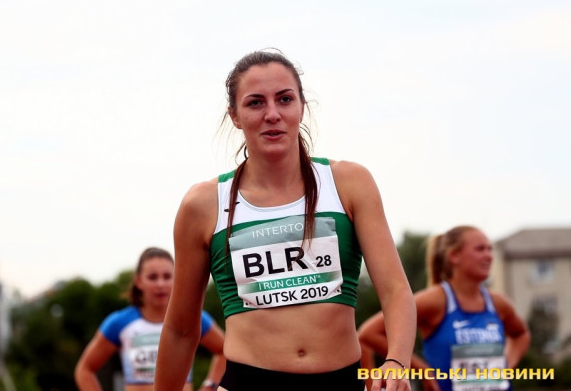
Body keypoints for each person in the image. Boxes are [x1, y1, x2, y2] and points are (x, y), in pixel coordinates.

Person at [153, 50, 416, 391]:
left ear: (302, 107)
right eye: (255, 103)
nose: (272, 114)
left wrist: (396, 361)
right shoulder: (203, 204)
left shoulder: (349, 183)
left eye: (284, 99)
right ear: (235, 116)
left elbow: (395, 291)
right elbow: (181, 329)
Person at [358, 225, 531, 391]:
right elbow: (368, 334)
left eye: (489, 249)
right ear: (454, 256)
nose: (489, 256)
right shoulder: (436, 300)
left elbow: (521, 335)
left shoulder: (498, 303)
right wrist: (422, 369)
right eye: (480, 249)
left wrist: (506, 364)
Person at [75, 247, 226, 391]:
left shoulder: (192, 318)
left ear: (176, 279)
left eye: (167, 276)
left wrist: (210, 386)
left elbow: (224, 351)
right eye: (152, 277)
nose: (160, 284)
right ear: (138, 281)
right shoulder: (119, 322)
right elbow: (84, 369)